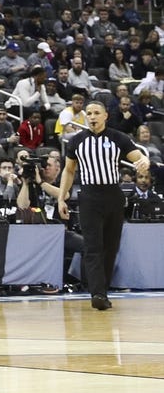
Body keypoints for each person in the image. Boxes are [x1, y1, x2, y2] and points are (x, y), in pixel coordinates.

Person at [58, 101, 150, 310]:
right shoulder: (77, 141)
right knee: (92, 247)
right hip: (89, 196)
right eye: (89, 113)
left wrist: (144, 159)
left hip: (113, 196)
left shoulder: (118, 137)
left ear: (105, 116)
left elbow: (137, 156)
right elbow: (69, 171)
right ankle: (97, 294)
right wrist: (61, 198)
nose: (92, 116)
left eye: (96, 113)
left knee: (111, 247)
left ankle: (103, 290)